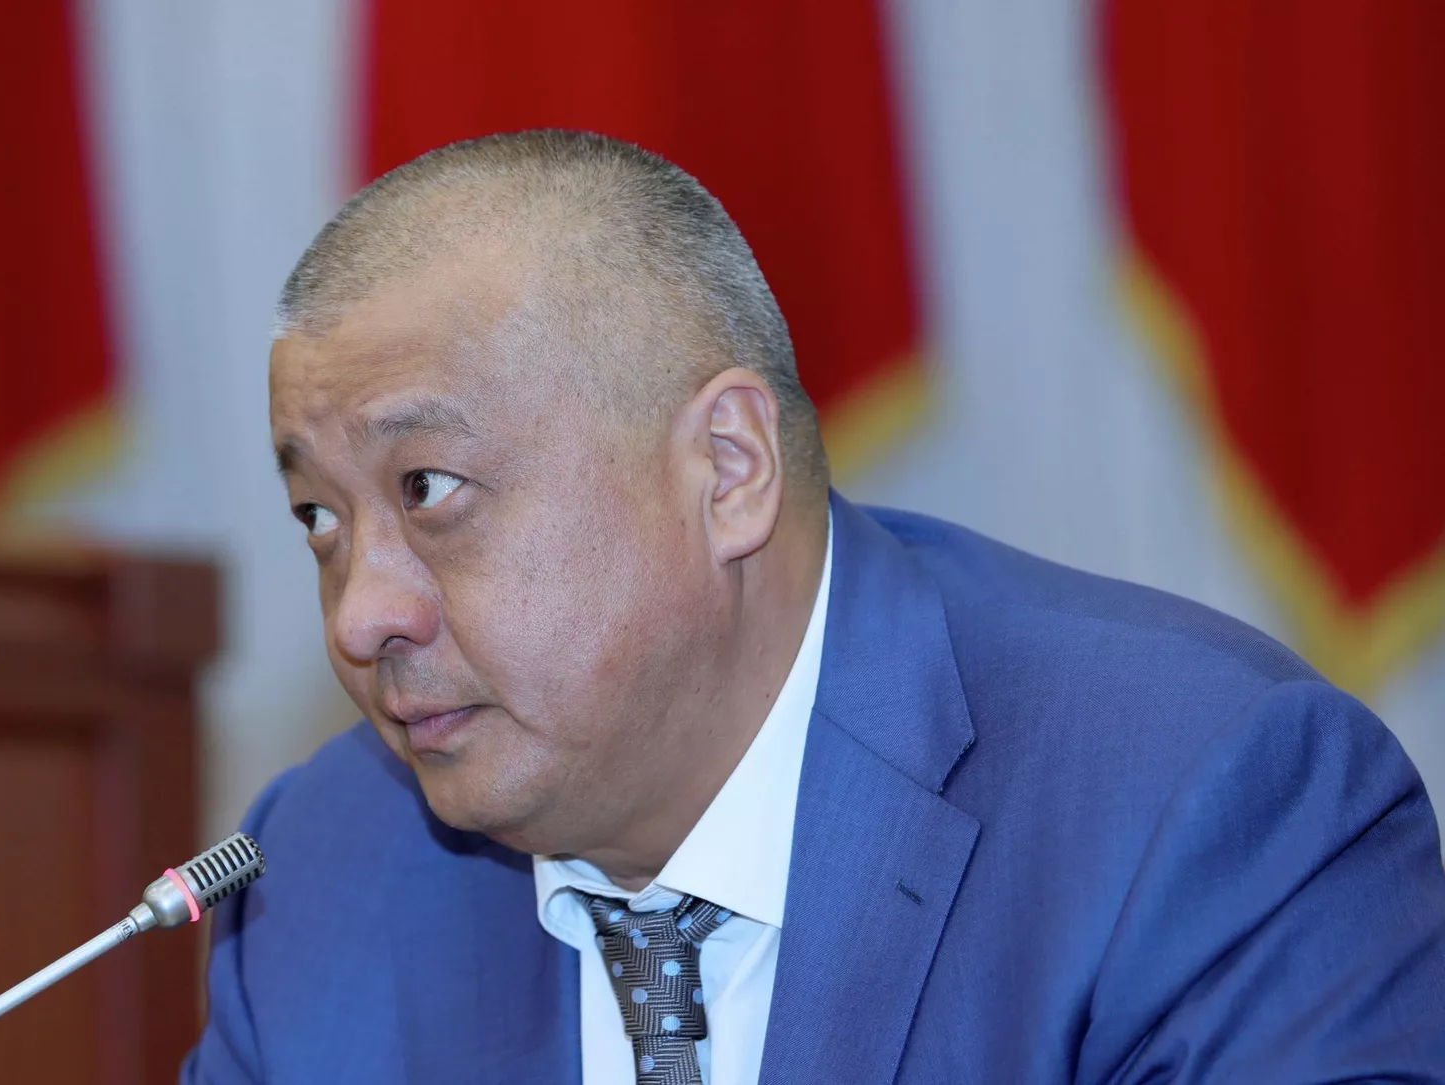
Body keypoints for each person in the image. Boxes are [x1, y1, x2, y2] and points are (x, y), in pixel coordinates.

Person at [180, 130, 1445, 1085]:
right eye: (320, 520)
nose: (360, 616)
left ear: (727, 469)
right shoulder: (332, 868)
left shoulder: (1199, 803)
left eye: (429, 489)